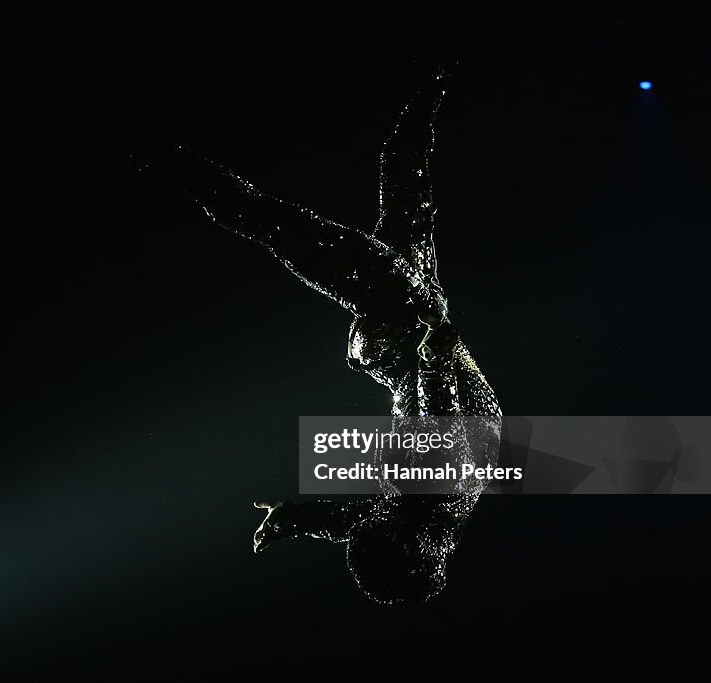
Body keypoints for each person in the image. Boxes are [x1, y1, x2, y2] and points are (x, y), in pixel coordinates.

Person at [136, 70, 501, 604]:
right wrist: (435, 360)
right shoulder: (436, 490)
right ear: (413, 543)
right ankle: (162, 155)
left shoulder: (422, 515)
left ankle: (434, 78)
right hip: (398, 307)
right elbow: (439, 419)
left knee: (401, 184)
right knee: (273, 221)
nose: (372, 517)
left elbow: (352, 519)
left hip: (409, 313)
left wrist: (293, 518)